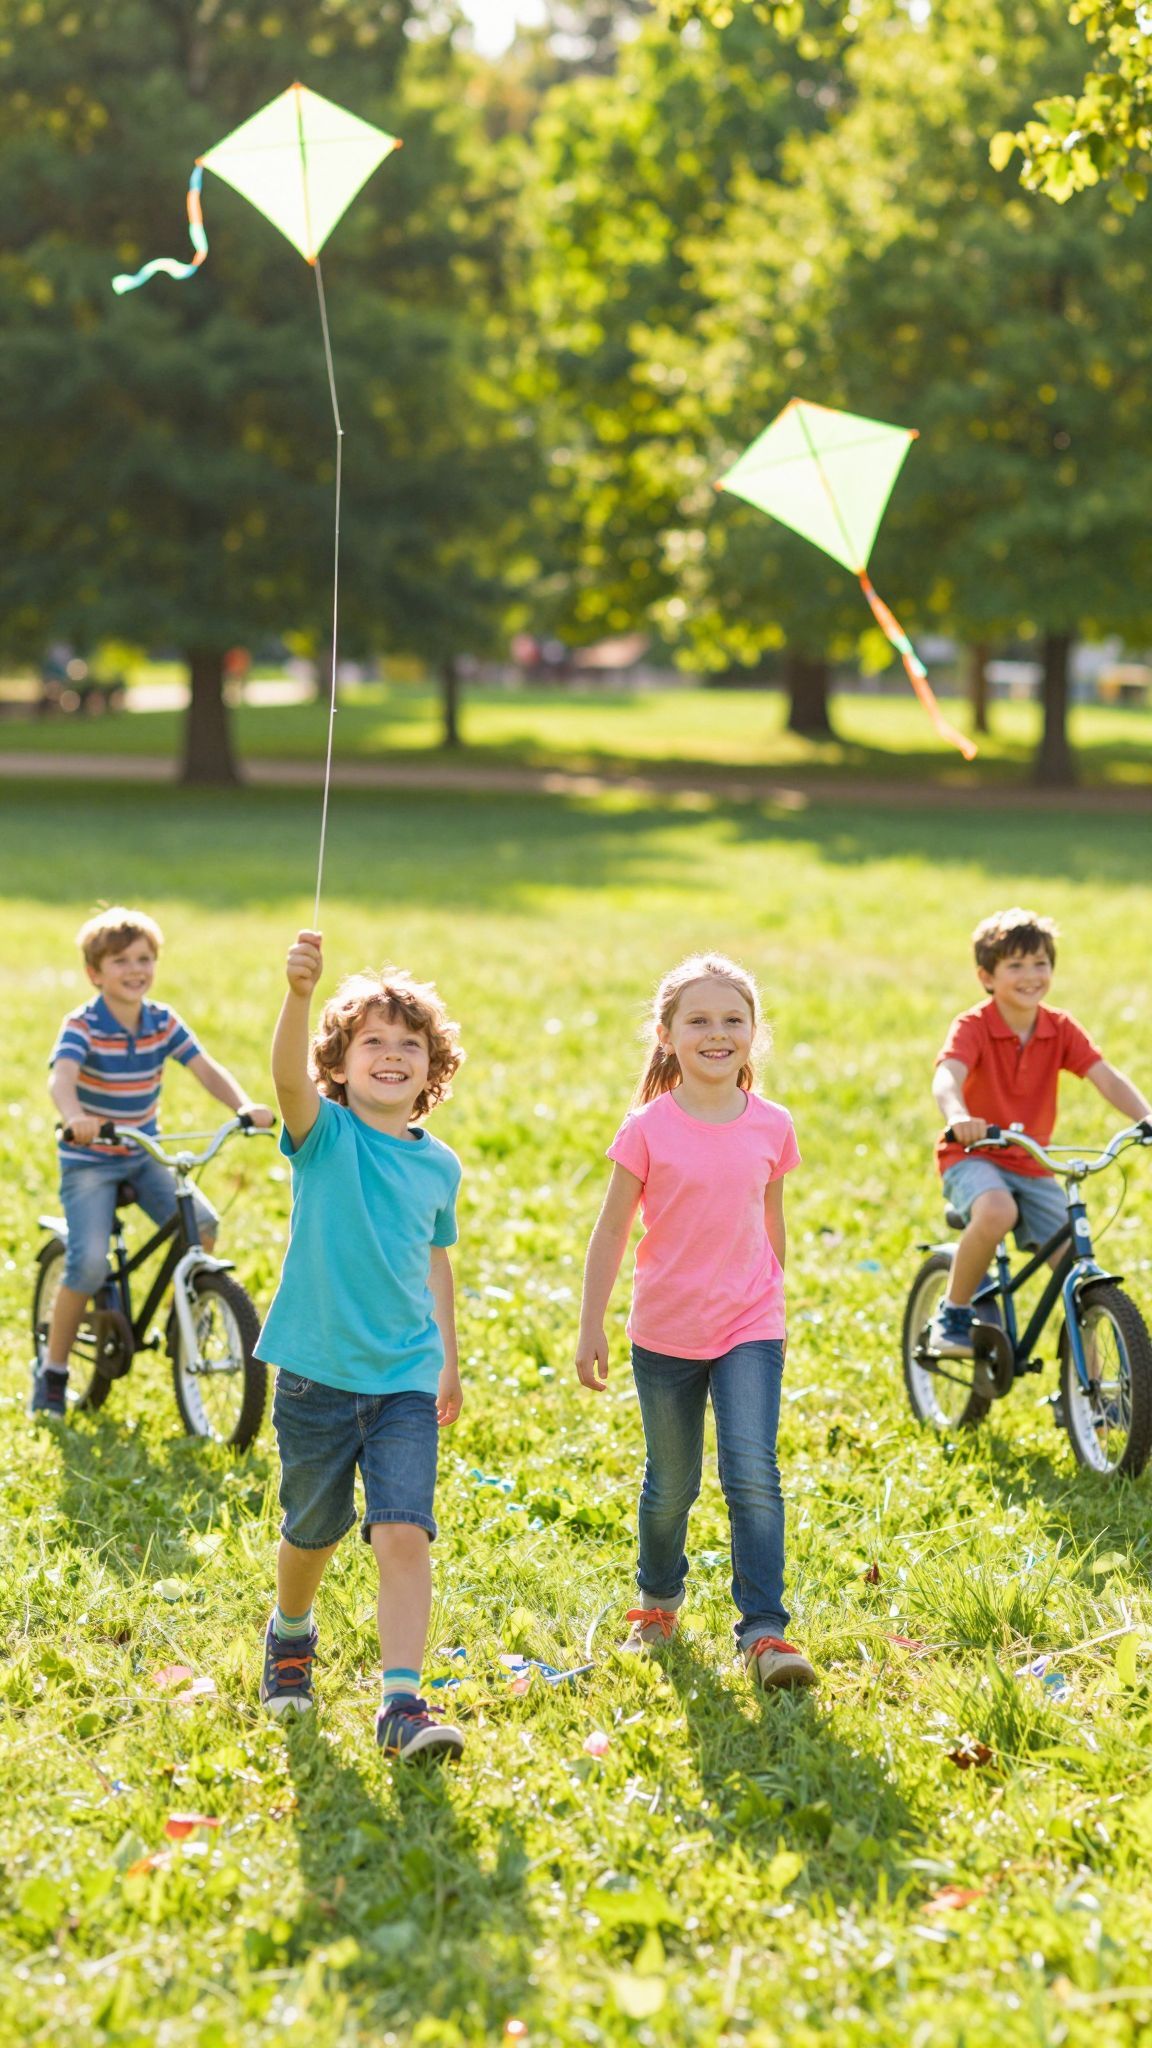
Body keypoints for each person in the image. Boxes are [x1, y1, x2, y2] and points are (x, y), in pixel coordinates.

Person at [574, 953, 816, 1692]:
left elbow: (770, 1218)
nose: (718, 1033)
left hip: (750, 1322)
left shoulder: (772, 1125)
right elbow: (612, 1231)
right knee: (672, 1484)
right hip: (666, 1331)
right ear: (667, 1035)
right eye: (700, 1021)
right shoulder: (648, 1127)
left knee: (753, 1477)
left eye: (733, 1020)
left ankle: (764, 1631)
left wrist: (772, 1303)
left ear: (754, 1034)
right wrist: (592, 1325)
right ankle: (659, 1598)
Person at [257, 930, 467, 1763]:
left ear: (431, 1070)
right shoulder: (326, 1136)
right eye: (370, 1042)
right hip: (316, 1375)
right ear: (337, 1067)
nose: (390, 1055)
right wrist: (300, 994)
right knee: (313, 1530)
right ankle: (291, 1631)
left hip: (406, 1378)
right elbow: (282, 1079)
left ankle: (401, 1702)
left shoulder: (439, 1165)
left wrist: (448, 1355)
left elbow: (435, 1258)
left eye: (408, 1045)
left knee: (403, 1532)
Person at [38, 906, 273, 1418]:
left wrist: (241, 1107)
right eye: (120, 960)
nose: (135, 969)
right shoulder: (83, 1024)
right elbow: (62, 1077)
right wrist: (75, 1114)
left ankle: (181, 1321)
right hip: (90, 1159)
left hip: (144, 1154)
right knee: (89, 1261)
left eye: (144, 958)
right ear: (95, 974)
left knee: (204, 1226)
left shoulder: (161, 1021)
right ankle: (53, 1372)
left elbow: (204, 1067)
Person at [930, 907, 1151, 1357]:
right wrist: (958, 1117)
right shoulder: (974, 1026)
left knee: (1077, 1275)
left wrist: (1145, 1116)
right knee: (996, 1211)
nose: (1031, 975)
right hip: (975, 1155)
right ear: (987, 976)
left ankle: (1089, 1391)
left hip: (1032, 1164)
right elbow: (947, 1075)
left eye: (1040, 964)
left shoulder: (1059, 1027)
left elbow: (1104, 1076)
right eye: (1015, 965)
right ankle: (952, 1312)